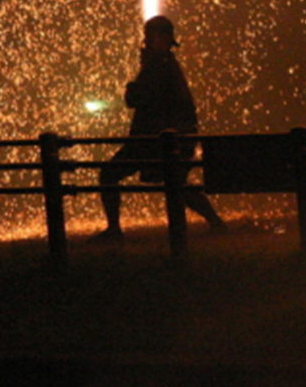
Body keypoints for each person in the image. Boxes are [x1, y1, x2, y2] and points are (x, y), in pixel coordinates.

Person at [94, 15, 224, 241]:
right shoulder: (167, 64)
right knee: (178, 182)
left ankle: (115, 229)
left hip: (153, 139)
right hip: (169, 137)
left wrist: (137, 79)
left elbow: (135, 99)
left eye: (149, 35)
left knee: (110, 174)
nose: (145, 40)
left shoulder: (158, 66)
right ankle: (215, 222)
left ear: (160, 37)